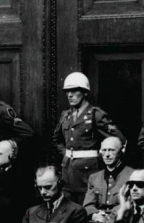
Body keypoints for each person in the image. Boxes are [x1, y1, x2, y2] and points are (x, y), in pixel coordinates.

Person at [52, 71, 125, 204]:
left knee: (88, 207)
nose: (70, 95)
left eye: (74, 91)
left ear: (85, 92)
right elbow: (56, 140)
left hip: (89, 173)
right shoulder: (66, 115)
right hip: (68, 173)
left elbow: (119, 141)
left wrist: (99, 158)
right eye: (67, 91)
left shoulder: (95, 114)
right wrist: (67, 154)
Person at [83, 135, 134, 223]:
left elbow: (131, 204)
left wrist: (109, 217)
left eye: (111, 150)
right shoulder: (94, 177)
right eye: (104, 150)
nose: (107, 155)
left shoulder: (132, 175)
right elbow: (88, 205)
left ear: (121, 151)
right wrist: (95, 214)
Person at [19, 165, 87, 223]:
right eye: (39, 188)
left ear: (60, 183)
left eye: (48, 187)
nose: (42, 192)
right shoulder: (31, 212)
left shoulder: (76, 211)